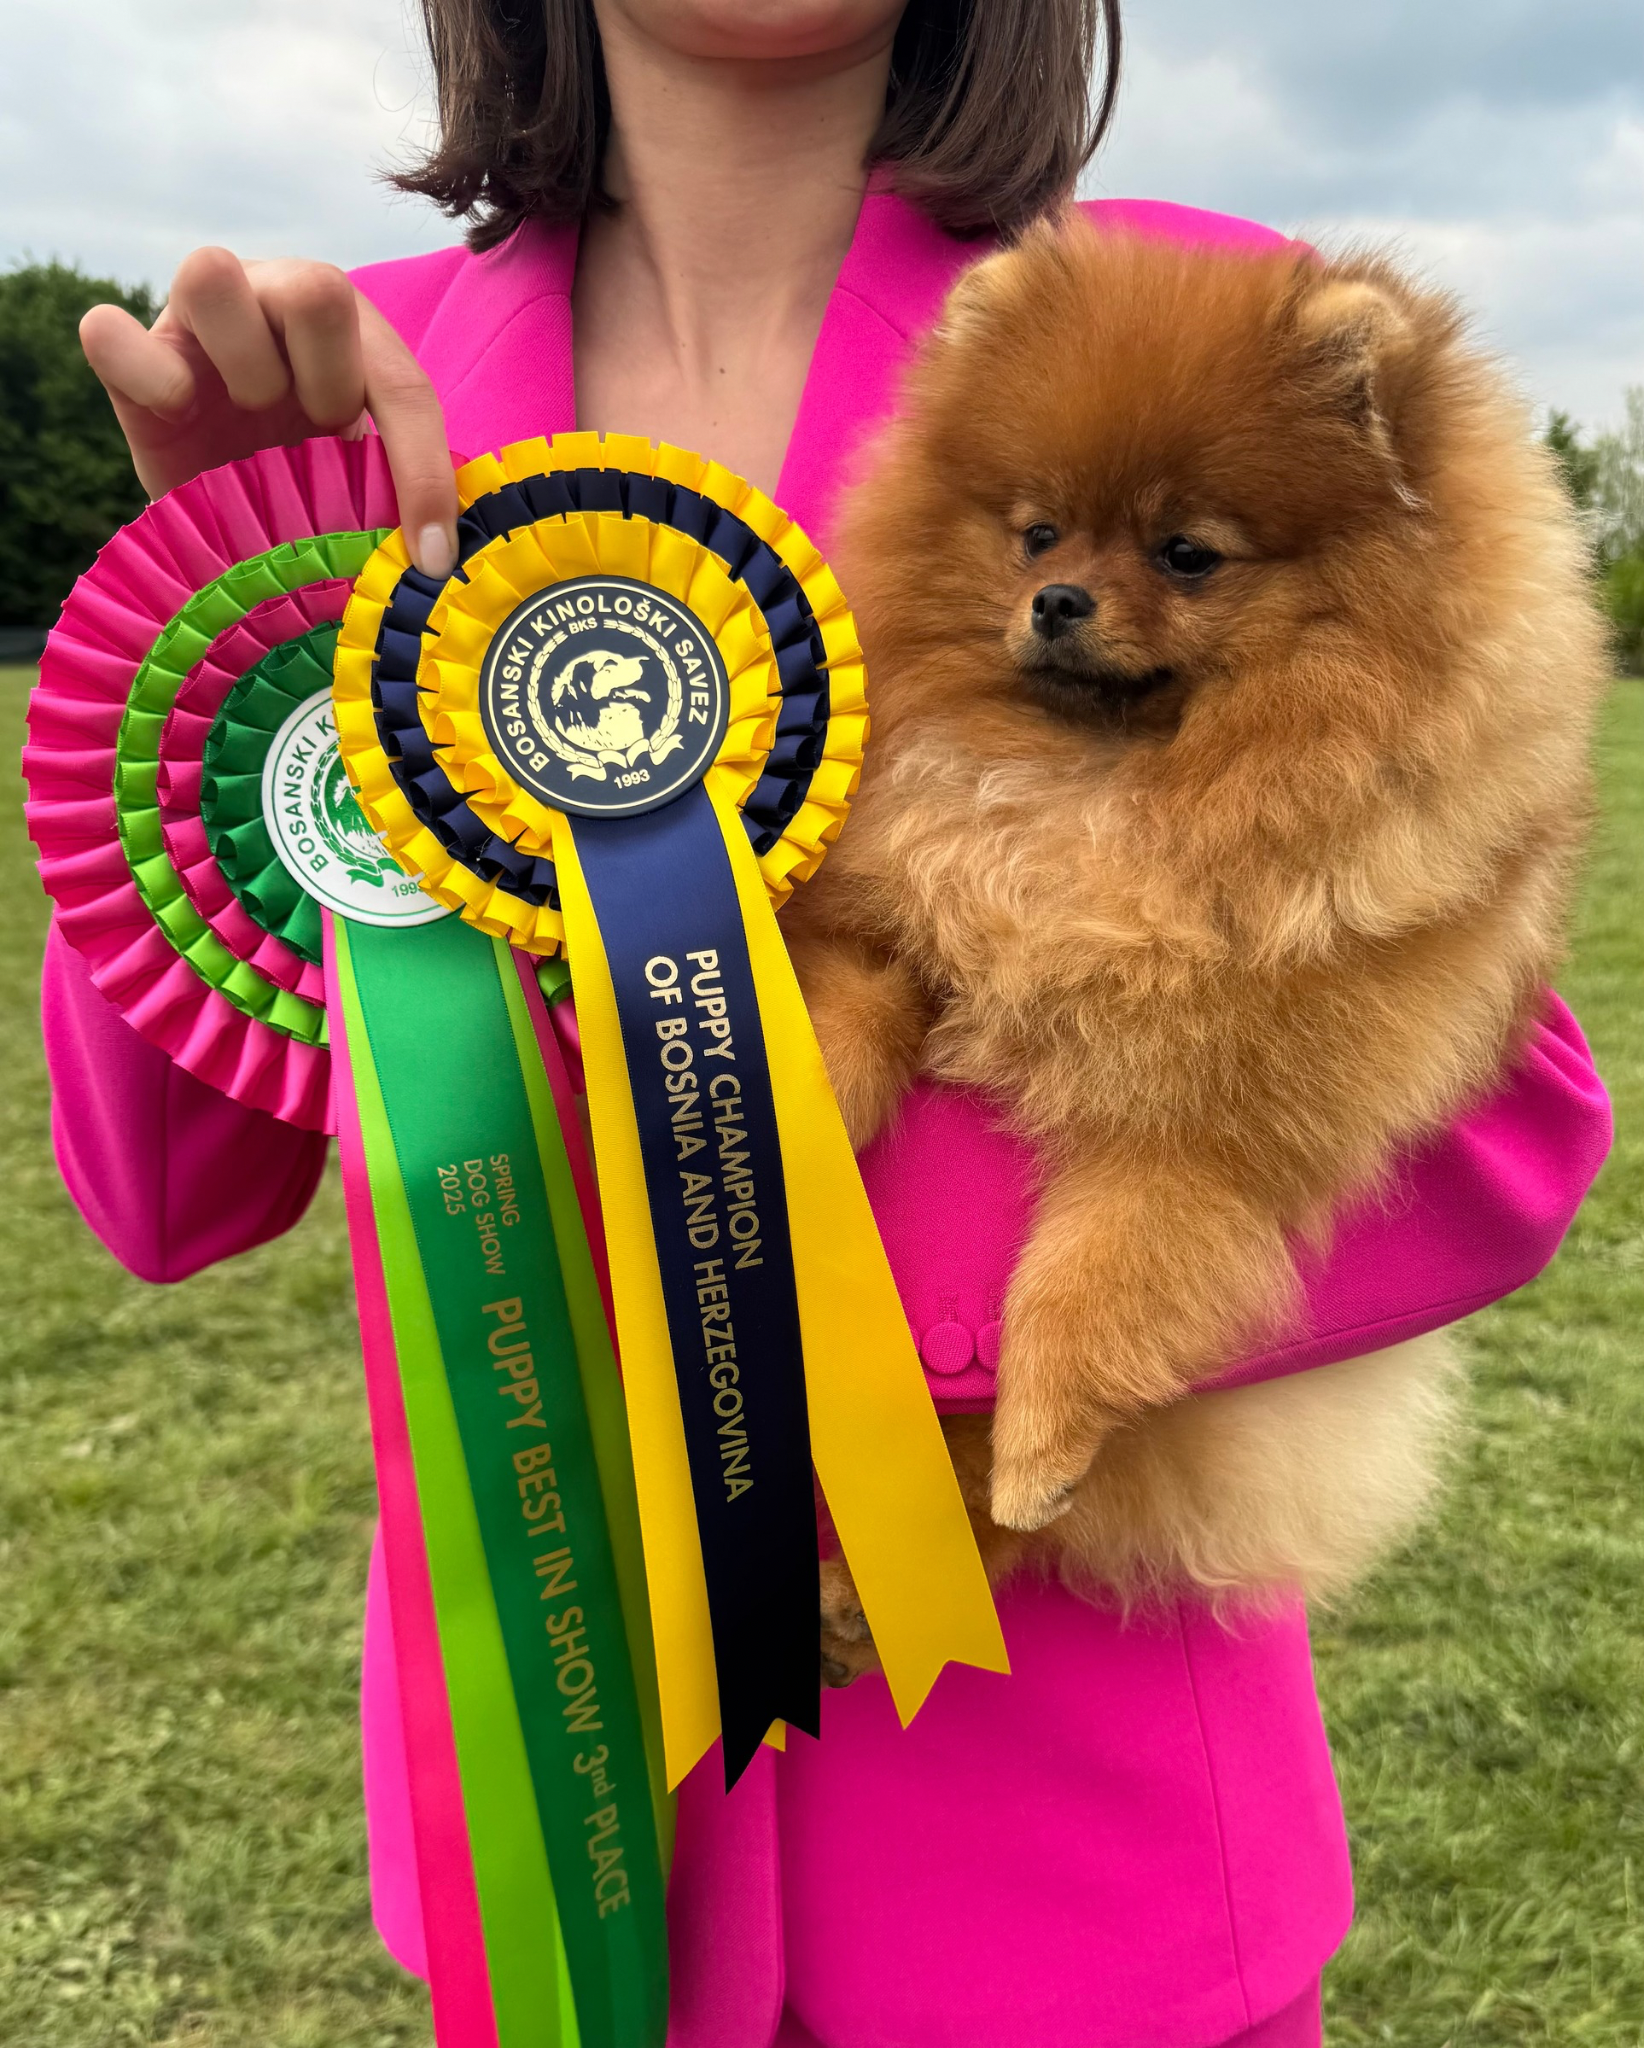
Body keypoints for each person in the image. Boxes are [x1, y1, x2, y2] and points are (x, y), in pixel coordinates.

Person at [57, 4, 1612, 2045]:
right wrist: (219, 636)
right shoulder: (357, 385)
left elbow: (1506, 1125)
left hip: (1090, 1878)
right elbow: (175, 1185)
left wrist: (865, 1350)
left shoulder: (1158, 319)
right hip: (565, 1831)